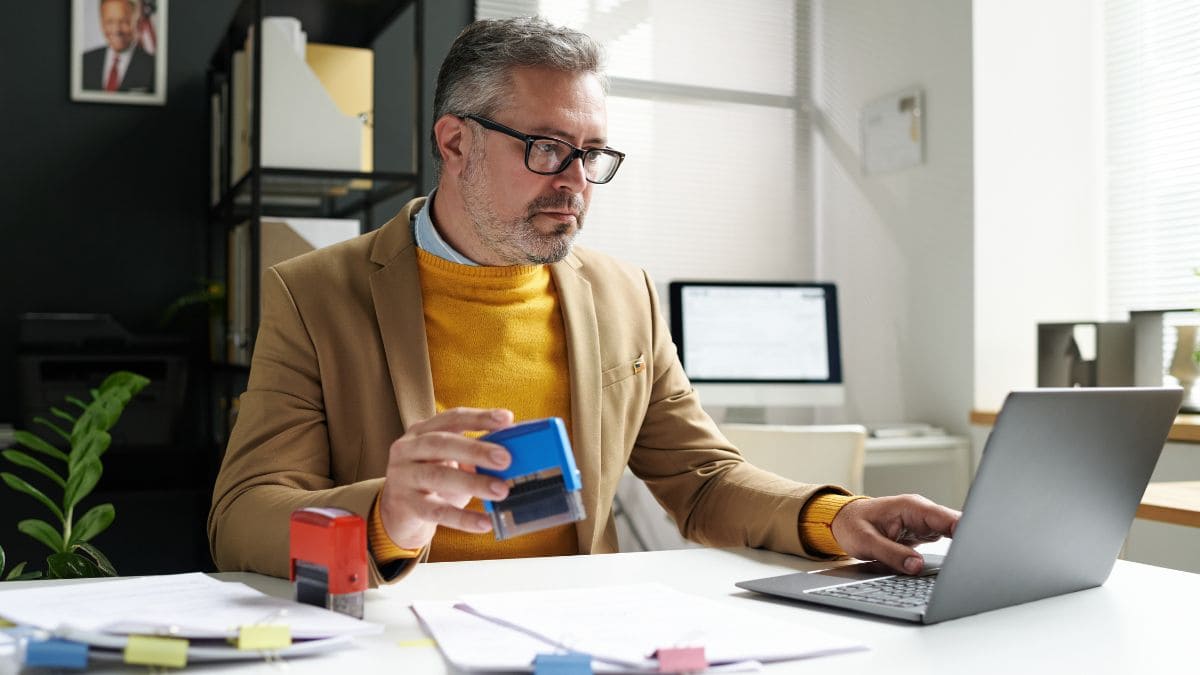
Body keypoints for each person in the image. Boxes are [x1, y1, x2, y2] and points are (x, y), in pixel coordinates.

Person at [208, 17, 960, 585]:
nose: (573, 180)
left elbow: (703, 480)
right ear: (455, 143)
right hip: (399, 633)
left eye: (591, 153)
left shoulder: (623, 294)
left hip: (579, 629)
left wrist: (835, 518)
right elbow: (241, 517)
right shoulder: (314, 293)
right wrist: (386, 515)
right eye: (545, 148)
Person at [82, 0, 155, 94]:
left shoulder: (153, 67)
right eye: (110, 22)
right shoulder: (84, 61)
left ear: (138, 22)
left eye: (124, 21)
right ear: (101, 22)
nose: (117, 30)